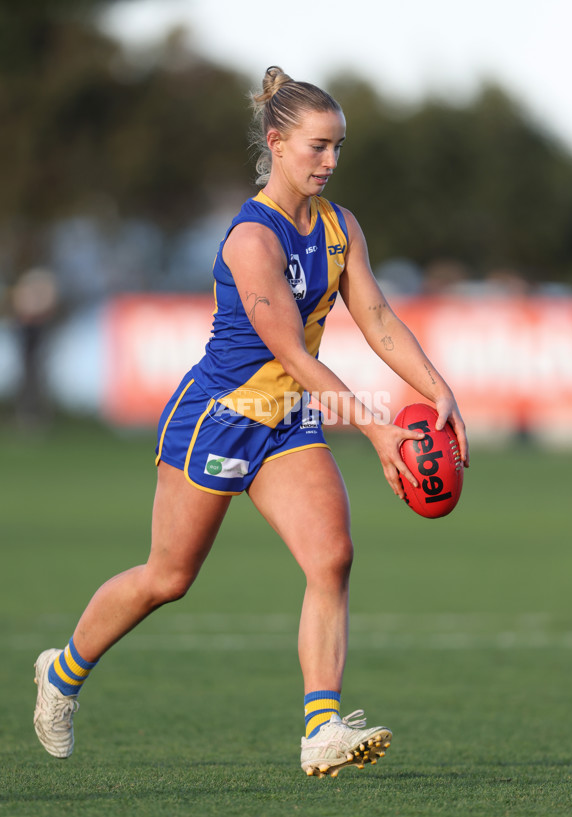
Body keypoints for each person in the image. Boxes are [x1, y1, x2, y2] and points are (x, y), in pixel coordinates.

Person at [33, 66, 469, 778]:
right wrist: (379, 428)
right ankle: (62, 672)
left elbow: (379, 319)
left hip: (288, 423)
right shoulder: (251, 241)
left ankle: (321, 727)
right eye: (318, 146)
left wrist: (437, 389)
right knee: (168, 577)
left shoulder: (340, 226)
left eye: (338, 148)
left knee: (332, 555)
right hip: (220, 419)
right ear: (277, 142)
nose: (330, 161)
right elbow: (293, 354)